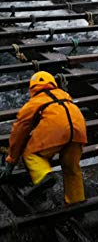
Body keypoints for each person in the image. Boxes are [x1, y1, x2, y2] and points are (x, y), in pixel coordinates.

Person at [0, 71, 87, 205]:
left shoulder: (35, 101)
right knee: (72, 168)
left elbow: (20, 129)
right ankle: (77, 203)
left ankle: (45, 176)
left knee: (31, 154)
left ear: (32, 88)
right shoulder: (65, 95)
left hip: (58, 128)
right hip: (79, 127)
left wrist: (11, 160)